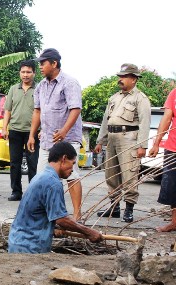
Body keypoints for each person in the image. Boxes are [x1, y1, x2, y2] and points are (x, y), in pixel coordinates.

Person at [8, 142, 103, 254]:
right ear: (63, 159)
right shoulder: (53, 183)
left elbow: (39, 213)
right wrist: (89, 232)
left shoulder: (41, 176)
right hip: (30, 247)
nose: (72, 169)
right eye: (72, 163)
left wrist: (53, 228)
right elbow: (62, 219)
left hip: (17, 241)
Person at [27, 48, 84, 220]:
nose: (41, 67)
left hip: (68, 139)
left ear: (54, 63)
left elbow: (75, 108)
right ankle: (47, 214)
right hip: (46, 139)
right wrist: (32, 134)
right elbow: (37, 111)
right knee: (43, 177)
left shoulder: (69, 82)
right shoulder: (40, 86)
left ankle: (77, 215)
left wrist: (65, 130)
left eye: (43, 63)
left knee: (71, 175)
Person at [94, 63, 151, 223]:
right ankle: (114, 207)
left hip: (129, 139)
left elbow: (145, 122)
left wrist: (143, 146)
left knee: (129, 175)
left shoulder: (140, 98)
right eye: (120, 76)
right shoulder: (114, 97)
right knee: (111, 174)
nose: (121, 79)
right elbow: (106, 121)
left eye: (124, 76)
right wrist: (100, 141)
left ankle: (129, 209)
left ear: (133, 79)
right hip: (112, 138)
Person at [2, 60, 39, 201]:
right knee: (14, 163)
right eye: (23, 72)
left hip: (33, 132)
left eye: (28, 72)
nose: (25, 75)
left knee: (33, 163)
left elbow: (43, 111)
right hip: (15, 130)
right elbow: (7, 110)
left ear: (34, 73)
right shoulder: (13, 89)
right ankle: (16, 191)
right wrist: (4, 128)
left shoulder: (39, 88)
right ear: (19, 73)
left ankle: (33, 193)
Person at [149, 89, 176, 232]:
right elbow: (166, 118)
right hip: (173, 148)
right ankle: (174, 222)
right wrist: (156, 143)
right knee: (172, 187)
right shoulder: (174, 93)